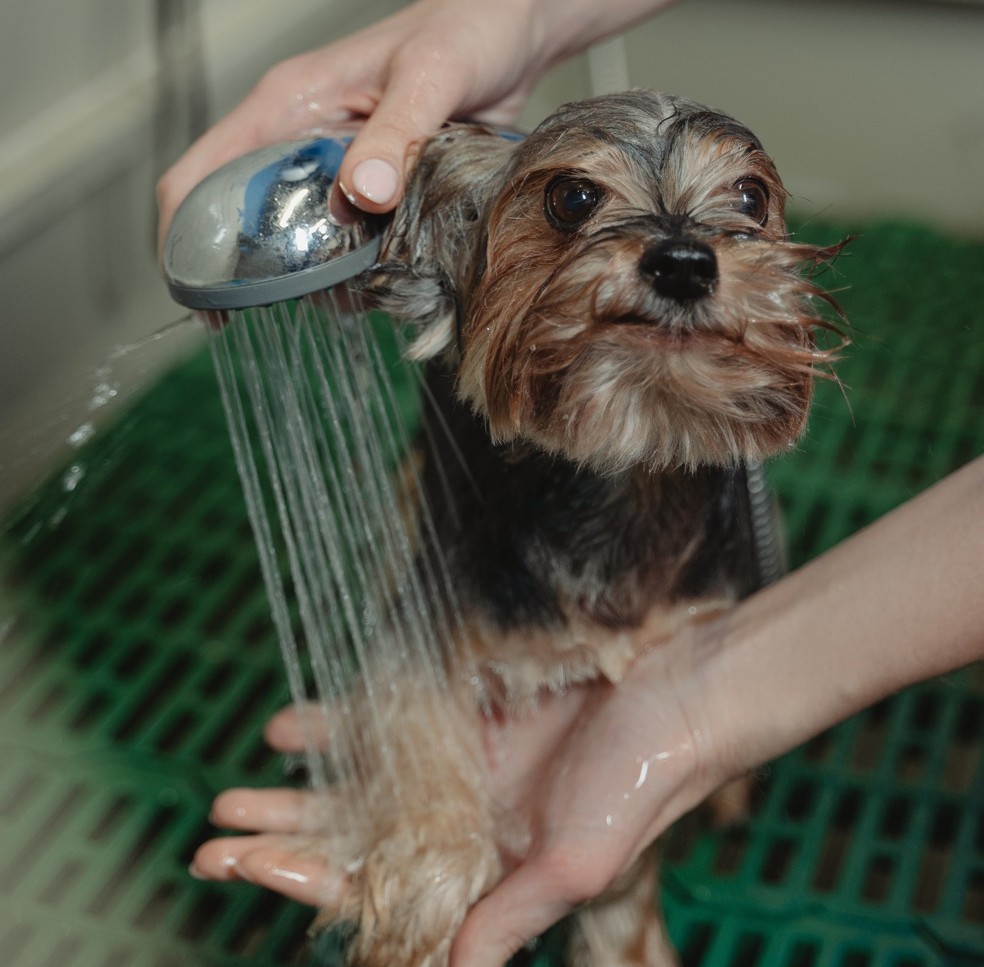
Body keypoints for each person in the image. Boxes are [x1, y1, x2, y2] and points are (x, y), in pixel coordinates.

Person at [161, 2, 984, 965]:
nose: (684, 248)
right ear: (452, 268)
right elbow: (407, 660)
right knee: (428, 877)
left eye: (745, 206)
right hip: (500, 548)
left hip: (677, 564)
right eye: (577, 204)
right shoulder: (451, 343)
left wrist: (700, 723)